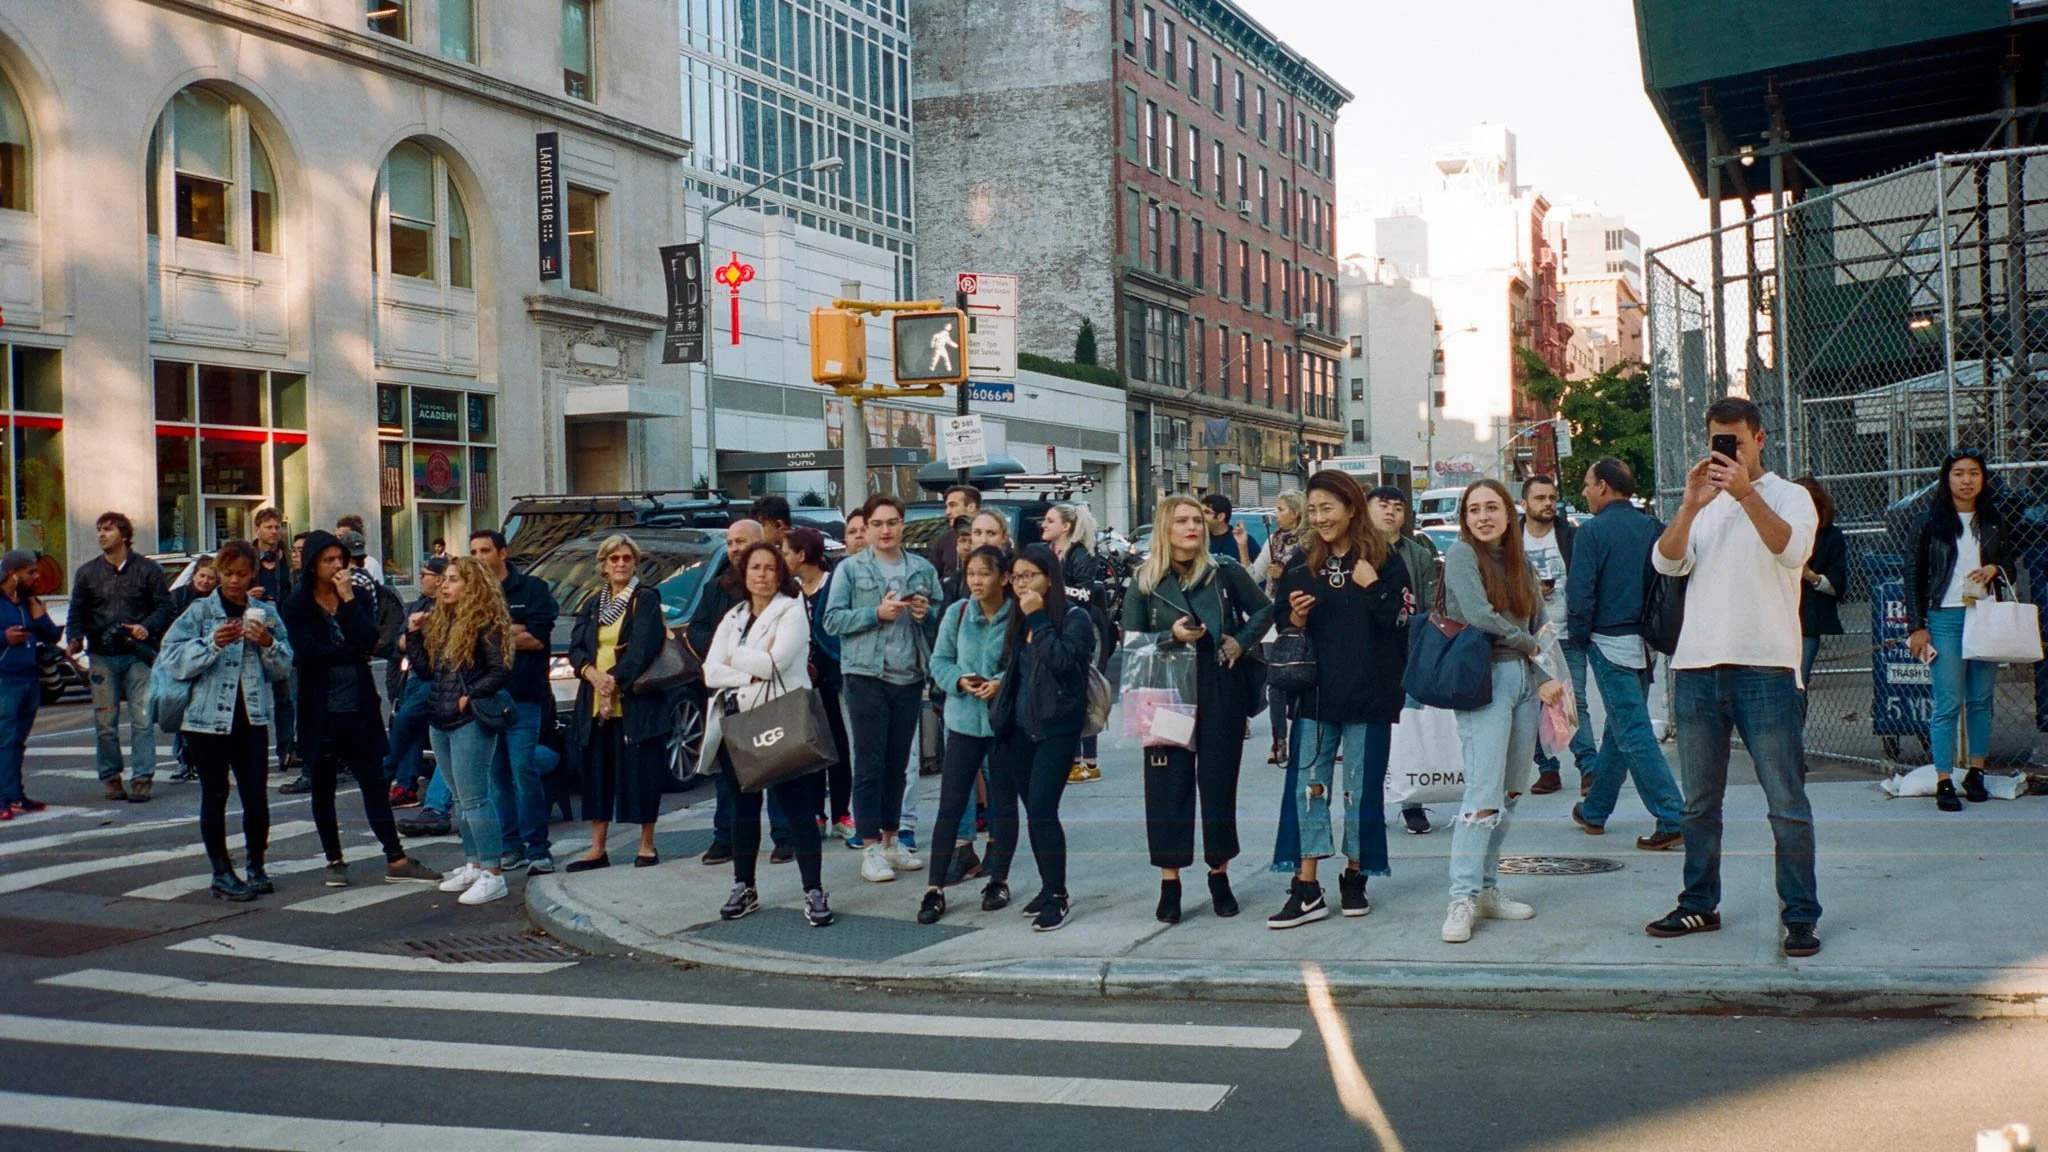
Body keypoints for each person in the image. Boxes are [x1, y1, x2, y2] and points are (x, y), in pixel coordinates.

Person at [1647, 397, 1822, 958]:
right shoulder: (1705, 502)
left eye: (1736, 442)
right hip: (1697, 666)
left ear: (1759, 439)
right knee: (1698, 803)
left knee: (1785, 801)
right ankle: (1699, 903)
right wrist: (1689, 507)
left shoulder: (1789, 496)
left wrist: (1746, 493)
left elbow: (1791, 551)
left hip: (1766, 667)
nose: (1726, 453)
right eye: (1717, 443)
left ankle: (1800, 915)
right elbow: (1666, 562)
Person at [1122, 496, 1272, 925]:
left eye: (1197, 520)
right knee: (1166, 786)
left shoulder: (1224, 571)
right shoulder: (1144, 580)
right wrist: (1170, 636)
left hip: (1218, 683)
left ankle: (1219, 874)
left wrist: (1240, 641)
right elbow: (1130, 643)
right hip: (1166, 691)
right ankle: (1170, 882)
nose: (1192, 527)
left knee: (1219, 782)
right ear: (1164, 528)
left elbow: (1265, 608)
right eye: (1182, 521)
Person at [1269, 472, 1410, 929]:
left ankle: (1355, 876)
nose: (1318, 518)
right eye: (1312, 510)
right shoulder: (1301, 561)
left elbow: (1403, 621)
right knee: (1308, 789)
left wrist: (1373, 587)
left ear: (1351, 508)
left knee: (1360, 789)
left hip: (1370, 692)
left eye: (1327, 508)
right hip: (1315, 694)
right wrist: (1294, 617)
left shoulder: (1384, 559)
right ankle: (1306, 887)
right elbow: (1281, 618)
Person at [1439, 479, 1565, 944]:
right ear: (1465, 518)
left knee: (1511, 791)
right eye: (1474, 510)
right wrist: (1528, 644)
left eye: (1491, 507)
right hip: (1485, 679)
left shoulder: (1519, 561)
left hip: (1525, 682)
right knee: (1483, 793)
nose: (1483, 517)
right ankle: (1462, 897)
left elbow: (1540, 622)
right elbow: (1477, 614)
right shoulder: (1461, 555)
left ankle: (1487, 889)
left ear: (1509, 514)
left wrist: (1546, 673)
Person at [282, 530, 439, 887]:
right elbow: (308, 654)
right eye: (329, 560)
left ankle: (395, 857)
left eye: (341, 559)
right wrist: (350, 652)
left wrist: (349, 600)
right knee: (323, 787)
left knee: (373, 781)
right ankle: (334, 859)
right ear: (313, 565)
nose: (338, 566)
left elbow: (370, 640)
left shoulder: (356, 595)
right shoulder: (297, 604)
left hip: (358, 707)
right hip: (320, 709)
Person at [705, 542, 835, 928]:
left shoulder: (791, 610)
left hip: (783, 719)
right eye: (755, 567)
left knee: (798, 810)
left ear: (780, 574)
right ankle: (744, 886)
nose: (762, 575)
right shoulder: (733, 617)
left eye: (769, 568)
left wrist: (734, 657)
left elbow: (776, 664)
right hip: (739, 723)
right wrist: (746, 669)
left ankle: (814, 890)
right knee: (742, 809)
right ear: (743, 574)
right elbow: (710, 671)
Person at [157, 541, 295, 900]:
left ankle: (256, 866)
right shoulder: (200, 612)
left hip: (251, 717)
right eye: (227, 573)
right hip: (205, 720)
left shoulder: (264, 612)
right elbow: (172, 658)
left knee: (255, 795)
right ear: (218, 573)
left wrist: (267, 642)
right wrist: (211, 644)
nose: (234, 580)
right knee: (215, 793)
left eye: (242, 574)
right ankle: (221, 872)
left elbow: (284, 667)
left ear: (253, 575)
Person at [1565, 459, 1685, 850]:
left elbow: (1580, 593)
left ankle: (1673, 816)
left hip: (1607, 640)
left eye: (1587, 484)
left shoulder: (1591, 531)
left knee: (1632, 732)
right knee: (1620, 729)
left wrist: (1579, 638)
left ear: (1603, 486)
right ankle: (1595, 810)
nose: (1584, 491)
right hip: (1646, 642)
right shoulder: (1653, 527)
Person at [823, 495, 939, 883]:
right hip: (865, 674)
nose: (885, 530)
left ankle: (892, 841)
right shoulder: (850, 569)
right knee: (869, 763)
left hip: (909, 674)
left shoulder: (921, 568)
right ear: (867, 528)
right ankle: (869, 846)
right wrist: (875, 613)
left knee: (898, 763)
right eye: (877, 524)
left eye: (892, 522)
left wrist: (925, 613)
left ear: (903, 524)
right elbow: (832, 621)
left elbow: (940, 615)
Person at [985, 544, 1097, 931]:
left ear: (1050, 578)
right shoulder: (1019, 618)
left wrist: (1038, 618)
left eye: (1029, 576)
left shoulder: (1075, 618)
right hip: (1018, 728)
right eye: (1016, 577)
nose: (1021, 584)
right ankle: (1048, 886)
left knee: (1044, 809)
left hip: (1056, 728)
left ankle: (1059, 894)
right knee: (1033, 810)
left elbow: (1063, 662)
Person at [1907, 450, 2008, 812]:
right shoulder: (1928, 521)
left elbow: (2009, 562)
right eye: (1959, 473)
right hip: (1945, 618)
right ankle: (1943, 778)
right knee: (1948, 701)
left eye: (1974, 473)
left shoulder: (1993, 520)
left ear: (1983, 478)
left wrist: (1994, 568)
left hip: (1984, 616)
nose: (1967, 480)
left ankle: (1976, 771)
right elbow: (1913, 574)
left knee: (1981, 698)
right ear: (1946, 478)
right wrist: (1917, 626)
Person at [406, 555, 510, 904]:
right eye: (444, 579)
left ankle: (493, 873)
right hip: (441, 716)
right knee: (460, 799)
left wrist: (470, 695)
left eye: (453, 579)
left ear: (472, 586)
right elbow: (425, 671)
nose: (444, 585)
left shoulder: (486, 621)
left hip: (468, 720)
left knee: (475, 797)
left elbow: (500, 670)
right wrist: (414, 635)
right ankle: (474, 863)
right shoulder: (443, 620)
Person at [918, 545, 1012, 923]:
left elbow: (1026, 665)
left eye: (984, 573)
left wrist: (999, 683)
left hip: (1003, 724)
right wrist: (959, 680)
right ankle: (934, 888)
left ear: (1003, 577)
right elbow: (939, 662)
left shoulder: (1018, 616)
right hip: (962, 723)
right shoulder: (957, 613)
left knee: (1003, 803)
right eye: (971, 573)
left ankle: (998, 880)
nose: (976, 581)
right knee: (951, 805)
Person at [564, 534, 668, 871]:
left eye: (626, 558)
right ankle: (597, 849)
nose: (621, 564)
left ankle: (646, 845)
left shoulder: (645, 599)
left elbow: (642, 649)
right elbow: (576, 648)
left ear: (635, 563)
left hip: (635, 702)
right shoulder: (593, 602)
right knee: (597, 775)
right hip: (594, 702)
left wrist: (611, 682)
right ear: (603, 566)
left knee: (642, 772)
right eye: (614, 559)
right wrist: (592, 674)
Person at [66, 511, 173, 803]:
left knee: (142, 719)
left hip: (138, 655)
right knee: (105, 722)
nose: (101, 535)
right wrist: (74, 637)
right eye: (99, 529)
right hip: (102, 655)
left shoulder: (148, 570)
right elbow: (77, 610)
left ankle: (142, 778)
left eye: (108, 529)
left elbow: (165, 608)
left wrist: (146, 627)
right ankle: (111, 777)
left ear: (124, 536)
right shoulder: (87, 572)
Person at [470, 528, 560, 874]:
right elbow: (466, 639)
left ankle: (538, 848)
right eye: (473, 552)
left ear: (502, 553)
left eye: (485, 551)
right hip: (486, 698)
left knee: (523, 768)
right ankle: (511, 846)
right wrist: (511, 631)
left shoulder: (532, 589)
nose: (479, 558)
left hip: (524, 695)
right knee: (497, 776)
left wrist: (488, 634)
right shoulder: (472, 594)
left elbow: (536, 639)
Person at [690, 519, 777, 866]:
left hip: (769, 690)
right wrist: (723, 656)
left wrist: (744, 659)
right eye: (729, 542)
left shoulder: (779, 587)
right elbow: (698, 631)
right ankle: (724, 838)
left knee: (780, 762)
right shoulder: (716, 587)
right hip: (729, 692)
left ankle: (785, 837)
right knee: (729, 775)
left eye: (740, 541)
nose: (734, 548)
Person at [1366, 485, 1438, 835]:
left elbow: (1429, 606)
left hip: (1408, 653)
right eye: (1383, 505)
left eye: (1397, 506)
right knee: (1368, 736)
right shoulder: (1356, 551)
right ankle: (1369, 805)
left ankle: (1412, 804)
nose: (1390, 512)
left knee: (1408, 731)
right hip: (1365, 657)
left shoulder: (1418, 554)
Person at [1521, 475, 1595, 795]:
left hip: (1567, 631)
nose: (1548, 503)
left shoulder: (1570, 536)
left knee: (1573, 701)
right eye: (1540, 498)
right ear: (1524, 503)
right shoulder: (1511, 540)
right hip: (1528, 636)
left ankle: (1589, 767)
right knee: (1534, 703)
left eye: (1552, 497)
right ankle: (1547, 769)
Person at [784, 527, 854, 844]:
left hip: (832, 676)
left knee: (837, 743)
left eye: (787, 552)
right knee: (809, 747)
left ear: (802, 555)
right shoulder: (791, 591)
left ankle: (841, 814)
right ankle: (816, 813)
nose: (783, 557)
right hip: (801, 679)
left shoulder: (832, 584)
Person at [1042, 502, 1106, 784]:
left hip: (1077, 629)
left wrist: (1054, 588)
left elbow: (1086, 594)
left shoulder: (1079, 554)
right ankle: (1072, 758)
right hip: (1053, 627)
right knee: (1062, 694)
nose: (1044, 525)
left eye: (1050, 520)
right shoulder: (1047, 553)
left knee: (1081, 691)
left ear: (1066, 526)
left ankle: (1087, 760)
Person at [0, 550, 59, 821]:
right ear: (13, 574)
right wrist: (4, 637)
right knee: (5, 740)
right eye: (30, 572)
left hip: (29, 678)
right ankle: (3, 798)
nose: (36, 577)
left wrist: (39, 618)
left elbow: (52, 635)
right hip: (5, 679)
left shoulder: (28, 601)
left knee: (18, 741)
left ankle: (16, 794)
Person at [1249, 491, 1307, 765]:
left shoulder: (1311, 541)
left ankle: (1301, 735)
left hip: (1304, 614)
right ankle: (1278, 740)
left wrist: (1286, 575)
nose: (1276, 514)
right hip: (1276, 615)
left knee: (1302, 677)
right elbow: (1254, 574)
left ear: (1296, 513)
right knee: (1276, 680)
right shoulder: (1274, 540)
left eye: (1281, 509)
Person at [386, 556, 448, 812]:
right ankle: (405, 785)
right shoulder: (417, 605)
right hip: (415, 676)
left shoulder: (447, 606)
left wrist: (417, 634)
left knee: (405, 720)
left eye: (426, 574)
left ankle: (386, 768)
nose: (420, 578)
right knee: (412, 729)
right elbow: (401, 643)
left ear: (440, 579)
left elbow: (435, 646)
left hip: (438, 680)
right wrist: (415, 635)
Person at [1796, 476, 1849, 720]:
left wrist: (1810, 576)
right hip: (1776, 618)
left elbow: (1838, 586)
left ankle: (1795, 738)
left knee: (1798, 682)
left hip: (1808, 619)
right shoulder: (1780, 531)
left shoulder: (1831, 536)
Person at [252, 508, 296, 774]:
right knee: (252, 695)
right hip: (252, 633)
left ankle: (286, 750)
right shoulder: (248, 559)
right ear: (257, 529)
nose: (274, 532)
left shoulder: (288, 560)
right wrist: (248, 593)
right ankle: (252, 752)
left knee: (285, 697)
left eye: (277, 527)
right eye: (268, 527)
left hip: (282, 634)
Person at [1201, 493, 1258, 565]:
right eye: (1200, 512)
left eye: (1206, 512)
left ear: (1221, 516)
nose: (1201, 516)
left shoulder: (1244, 540)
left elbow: (1258, 569)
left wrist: (1243, 548)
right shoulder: (1200, 539)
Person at [334, 514, 383, 583]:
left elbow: (378, 587)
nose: (338, 540)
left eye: (342, 536)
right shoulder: (335, 562)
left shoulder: (371, 564)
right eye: (336, 536)